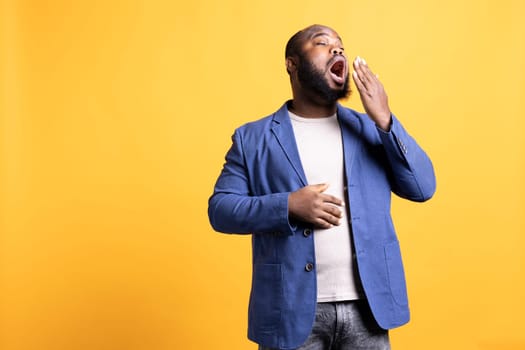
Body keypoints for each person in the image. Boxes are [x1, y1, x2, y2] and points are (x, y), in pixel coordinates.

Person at [208, 24, 436, 350]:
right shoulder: (252, 138)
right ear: (292, 63)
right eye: (322, 43)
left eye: (340, 46)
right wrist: (288, 205)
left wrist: (385, 119)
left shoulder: (370, 129)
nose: (337, 50)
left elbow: (423, 186)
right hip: (289, 311)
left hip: (368, 309)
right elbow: (220, 210)